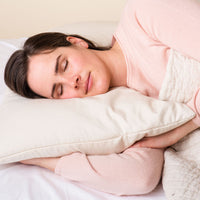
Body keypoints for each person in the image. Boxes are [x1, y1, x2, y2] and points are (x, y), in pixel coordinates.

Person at [4, 0, 200, 196]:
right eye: (59, 90)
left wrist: (187, 124)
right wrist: (46, 161)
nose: (73, 81)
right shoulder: (116, 110)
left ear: (76, 42)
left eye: (64, 65)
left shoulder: (143, 13)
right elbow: (140, 177)